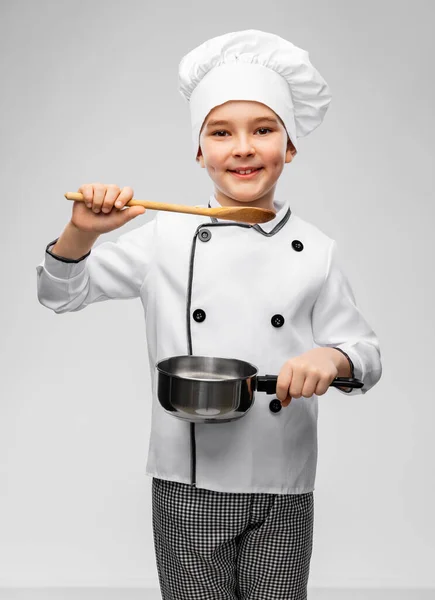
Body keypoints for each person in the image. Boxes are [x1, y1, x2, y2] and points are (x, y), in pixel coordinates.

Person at [36, 29, 382, 600]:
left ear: (290, 146)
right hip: (187, 478)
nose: (242, 148)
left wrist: (333, 357)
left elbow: (366, 352)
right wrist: (79, 234)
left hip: (284, 481)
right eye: (221, 133)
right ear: (199, 152)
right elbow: (60, 294)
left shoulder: (317, 249)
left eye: (263, 130)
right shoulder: (165, 238)